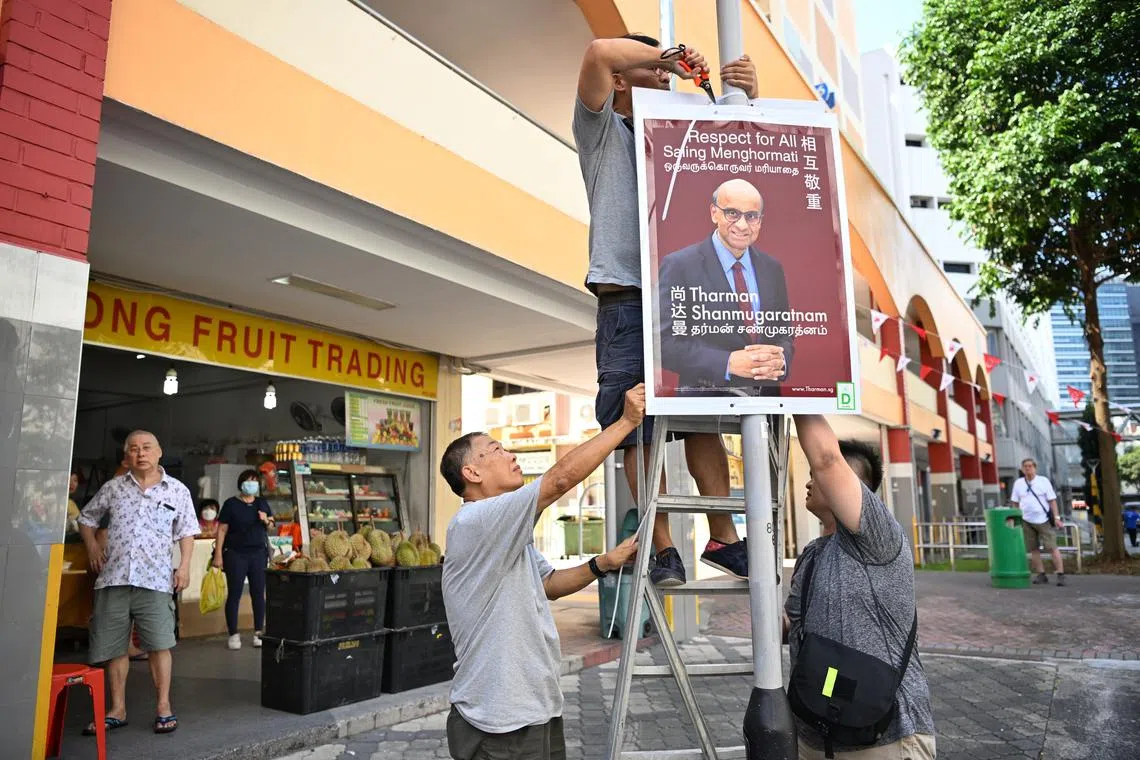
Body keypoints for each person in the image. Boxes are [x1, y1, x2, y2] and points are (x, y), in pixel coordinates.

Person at [575, 33, 762, 586]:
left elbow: (748, 161)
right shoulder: (604, 132)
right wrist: (667, 59)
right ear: (621, 80)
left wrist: (746, 97)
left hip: (684, 297)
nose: (664, 75)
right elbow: (597, 55)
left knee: (705, 418)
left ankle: (723, 538)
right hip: (628, 296)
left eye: (666, 67)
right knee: (635, 423)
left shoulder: (682, 140)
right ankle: (660, 549)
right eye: (650, 66)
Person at [440, 385, 644, 760]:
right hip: (500, 721)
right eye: (495, 450)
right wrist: (626, 423)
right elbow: (559, 481)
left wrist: (605, 563)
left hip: (536, 708)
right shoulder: (476, 520)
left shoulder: (506, 533)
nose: (509, 454)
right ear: (471, 472)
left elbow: (549, 585)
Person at [785, 416, 935, 759]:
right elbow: (793, 626)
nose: (809, 481)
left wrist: (792, 388)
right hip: (816, 732)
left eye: (816, 476)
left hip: (886, 736)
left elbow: (826, 459)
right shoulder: (813, 554)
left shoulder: (879, 538)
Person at [77, 430, 198, 735]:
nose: (140, 453)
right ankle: (117, 710)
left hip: (155, 579)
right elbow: (86, 518)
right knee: (115, 647)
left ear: (159, 453)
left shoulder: (177, 491)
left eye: (146, 448)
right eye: (133, 449)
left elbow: (186, 532)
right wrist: (92, 546)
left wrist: (183, 567)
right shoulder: (114, 488)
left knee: (159, 645)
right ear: (126, 456)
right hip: (113, 578)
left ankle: (163, 707)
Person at [658, 179, 793, 393]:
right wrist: (728, 362)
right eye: (732, 213)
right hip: (706, 407)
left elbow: (783, 332)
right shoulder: (679, 265)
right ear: (714, 213)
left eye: (751, 216)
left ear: (760, 221)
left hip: (766, 404)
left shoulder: (772, 268)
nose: (742, 225)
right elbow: (666, 344)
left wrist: (780, 361)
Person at [212, 469, 273, 650]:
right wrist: (218, 555)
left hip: (258, 554)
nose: (251, 484)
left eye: (255, 481)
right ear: (241, 483)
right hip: (235, 554)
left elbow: (271, 526)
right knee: (235, 593)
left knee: (258, 593)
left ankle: (258, 632)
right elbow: (222, 530)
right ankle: (233, 634)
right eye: (248, 481)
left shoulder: (262, 503)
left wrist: (265, 520)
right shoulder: (231, 504)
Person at [1009, 458, 1065, 586]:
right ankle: (1041, 574)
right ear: (1022, 469)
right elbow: (1015, 502)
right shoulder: (1018, 483)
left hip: (1043, 519)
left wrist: (1056, 519)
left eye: (1030, 466)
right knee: (1033, 549)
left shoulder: (1043, 481)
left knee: (1052, 547)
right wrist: (1015, 517)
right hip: (1026, 520)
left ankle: (1060, 573)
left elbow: (1052, 501)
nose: (1028, 468)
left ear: (1035, 468)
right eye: (1025, 466)